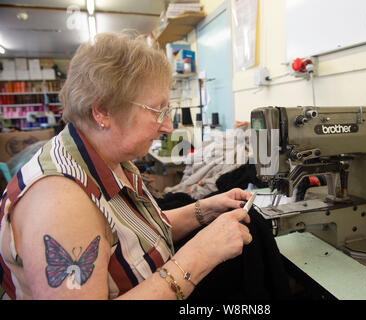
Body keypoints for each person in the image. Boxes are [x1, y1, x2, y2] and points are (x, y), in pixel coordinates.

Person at [0, 32, 253, 300]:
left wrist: (204, 209)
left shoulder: (110, 159)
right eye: (158, 111)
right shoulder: (59, 204)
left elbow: (138, 234)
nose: (167, 126)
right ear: (102, 112)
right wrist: (199, 256)